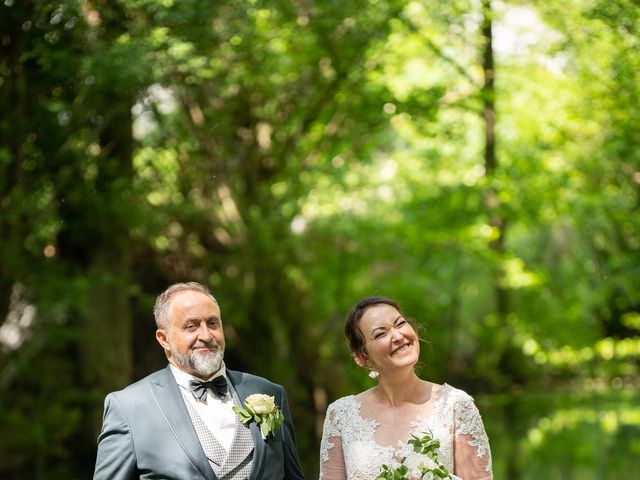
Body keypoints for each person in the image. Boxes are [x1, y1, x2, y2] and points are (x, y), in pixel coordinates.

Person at [94, 281, 305, 480]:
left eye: (213, 323)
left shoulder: (269, 392)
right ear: (164, 339)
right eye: (191, 326)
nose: (206, 335)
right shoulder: (129, 407)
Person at [319, 296, 493, 480]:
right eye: (380, 334)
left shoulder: (455, 406)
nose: (398, 336)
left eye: (400, 323)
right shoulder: (341, 416)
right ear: (363, 358)